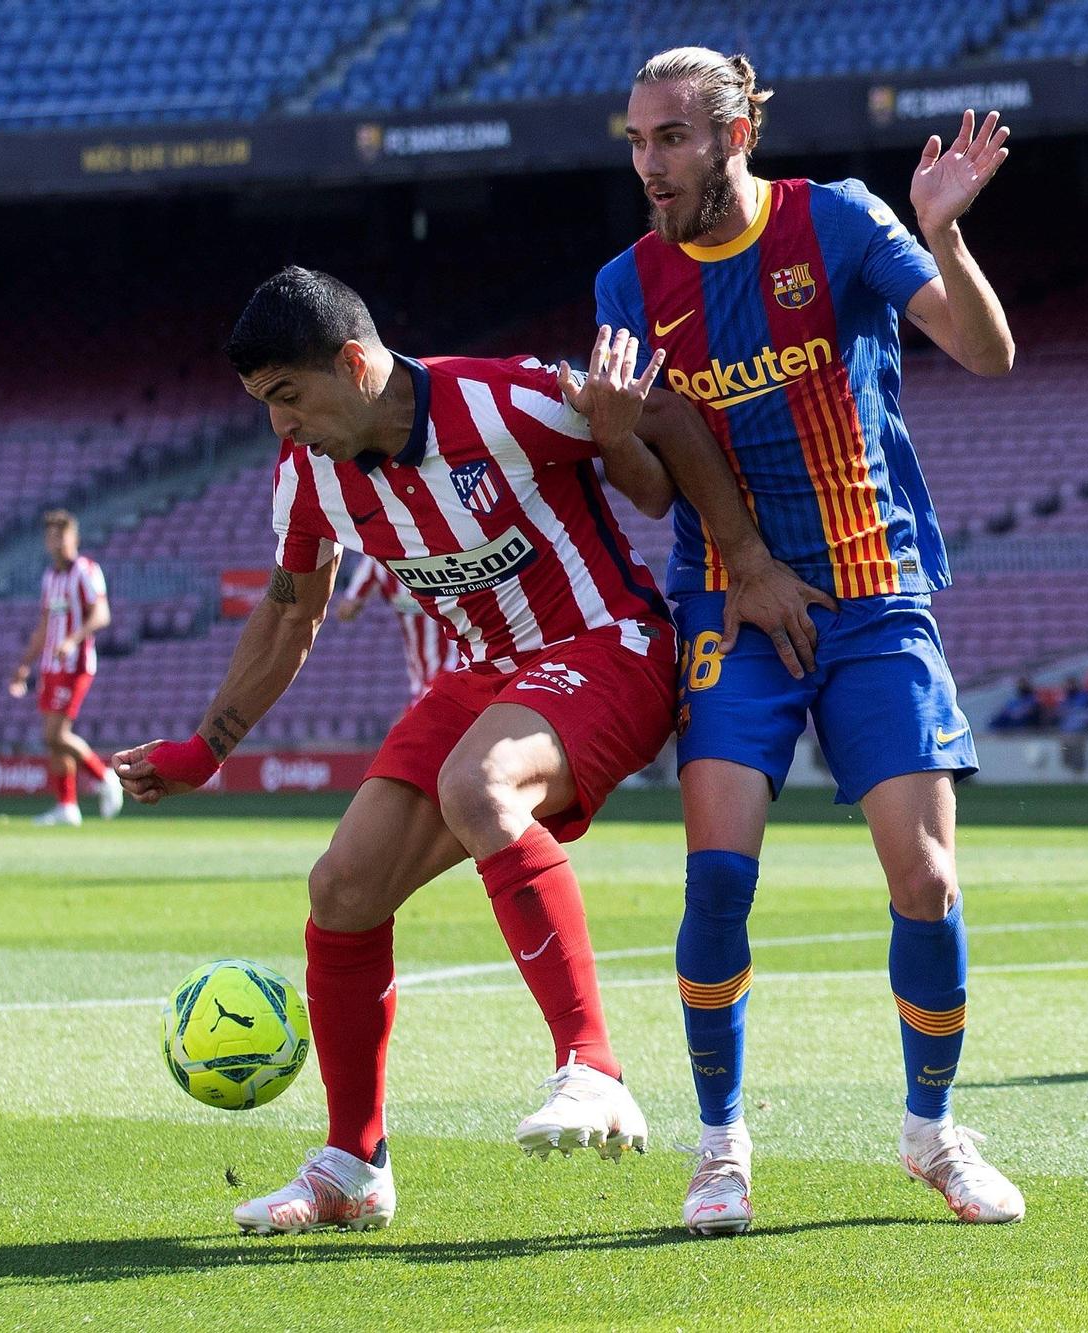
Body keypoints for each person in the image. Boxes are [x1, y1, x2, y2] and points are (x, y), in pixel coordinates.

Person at [115, 266, 816, 1236]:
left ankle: (593, 1069)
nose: (278, 426)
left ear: (355, 364)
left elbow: (662, 431)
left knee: (477, 784)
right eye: (260, 405)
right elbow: (288, 621)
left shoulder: (501, 398)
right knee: (341, 887)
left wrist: (740, 559)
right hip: (484, 672)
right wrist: (203, 748)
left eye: (287, 397)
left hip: (608, 646)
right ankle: (353, 1163)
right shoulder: (307, 476)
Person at [604, 47, 1025, 1232]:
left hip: (874, 592)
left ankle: (930, 1132)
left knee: (926, 878)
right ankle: (719, 1144)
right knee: (716, 882)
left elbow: (983, 351)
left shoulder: (838, 222)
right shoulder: (627, 283)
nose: (649, 165)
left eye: (671, 138)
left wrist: (943, 237)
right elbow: (644, 486)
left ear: (734, 135)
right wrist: (609, 425)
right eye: (636, 142)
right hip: (727, 608)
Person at [9, 510, 125, 825]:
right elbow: (45, 625)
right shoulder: (50, 578)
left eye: (62, 535)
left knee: (56, 733)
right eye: (51, 536)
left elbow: (102, 614)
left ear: (74, 538)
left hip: (76, 665)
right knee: (51, 739)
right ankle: (67, 806)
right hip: (50, 667)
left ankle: (105, 777)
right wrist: (25, 664)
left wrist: (73, 640)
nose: (57, 542)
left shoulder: (86, 571)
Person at [335, 554, 464, 704]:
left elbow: (347, 610)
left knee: (409, 726)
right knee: (404, 725)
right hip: (421, 682)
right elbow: (346, 611)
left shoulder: (440, 551)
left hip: (454, 668)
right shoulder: (376, 561)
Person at [1057, 674, 1088, 775]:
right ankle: (1069, 770)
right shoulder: (1064, 699)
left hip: (1080, 732)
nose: (1069, 687)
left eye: (1071, 684)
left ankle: (1079, 772)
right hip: (1065, 733)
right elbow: (1059, 713)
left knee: (1077, 751)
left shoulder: (1086, 697)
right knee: (1064, 752)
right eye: (1067, 684)